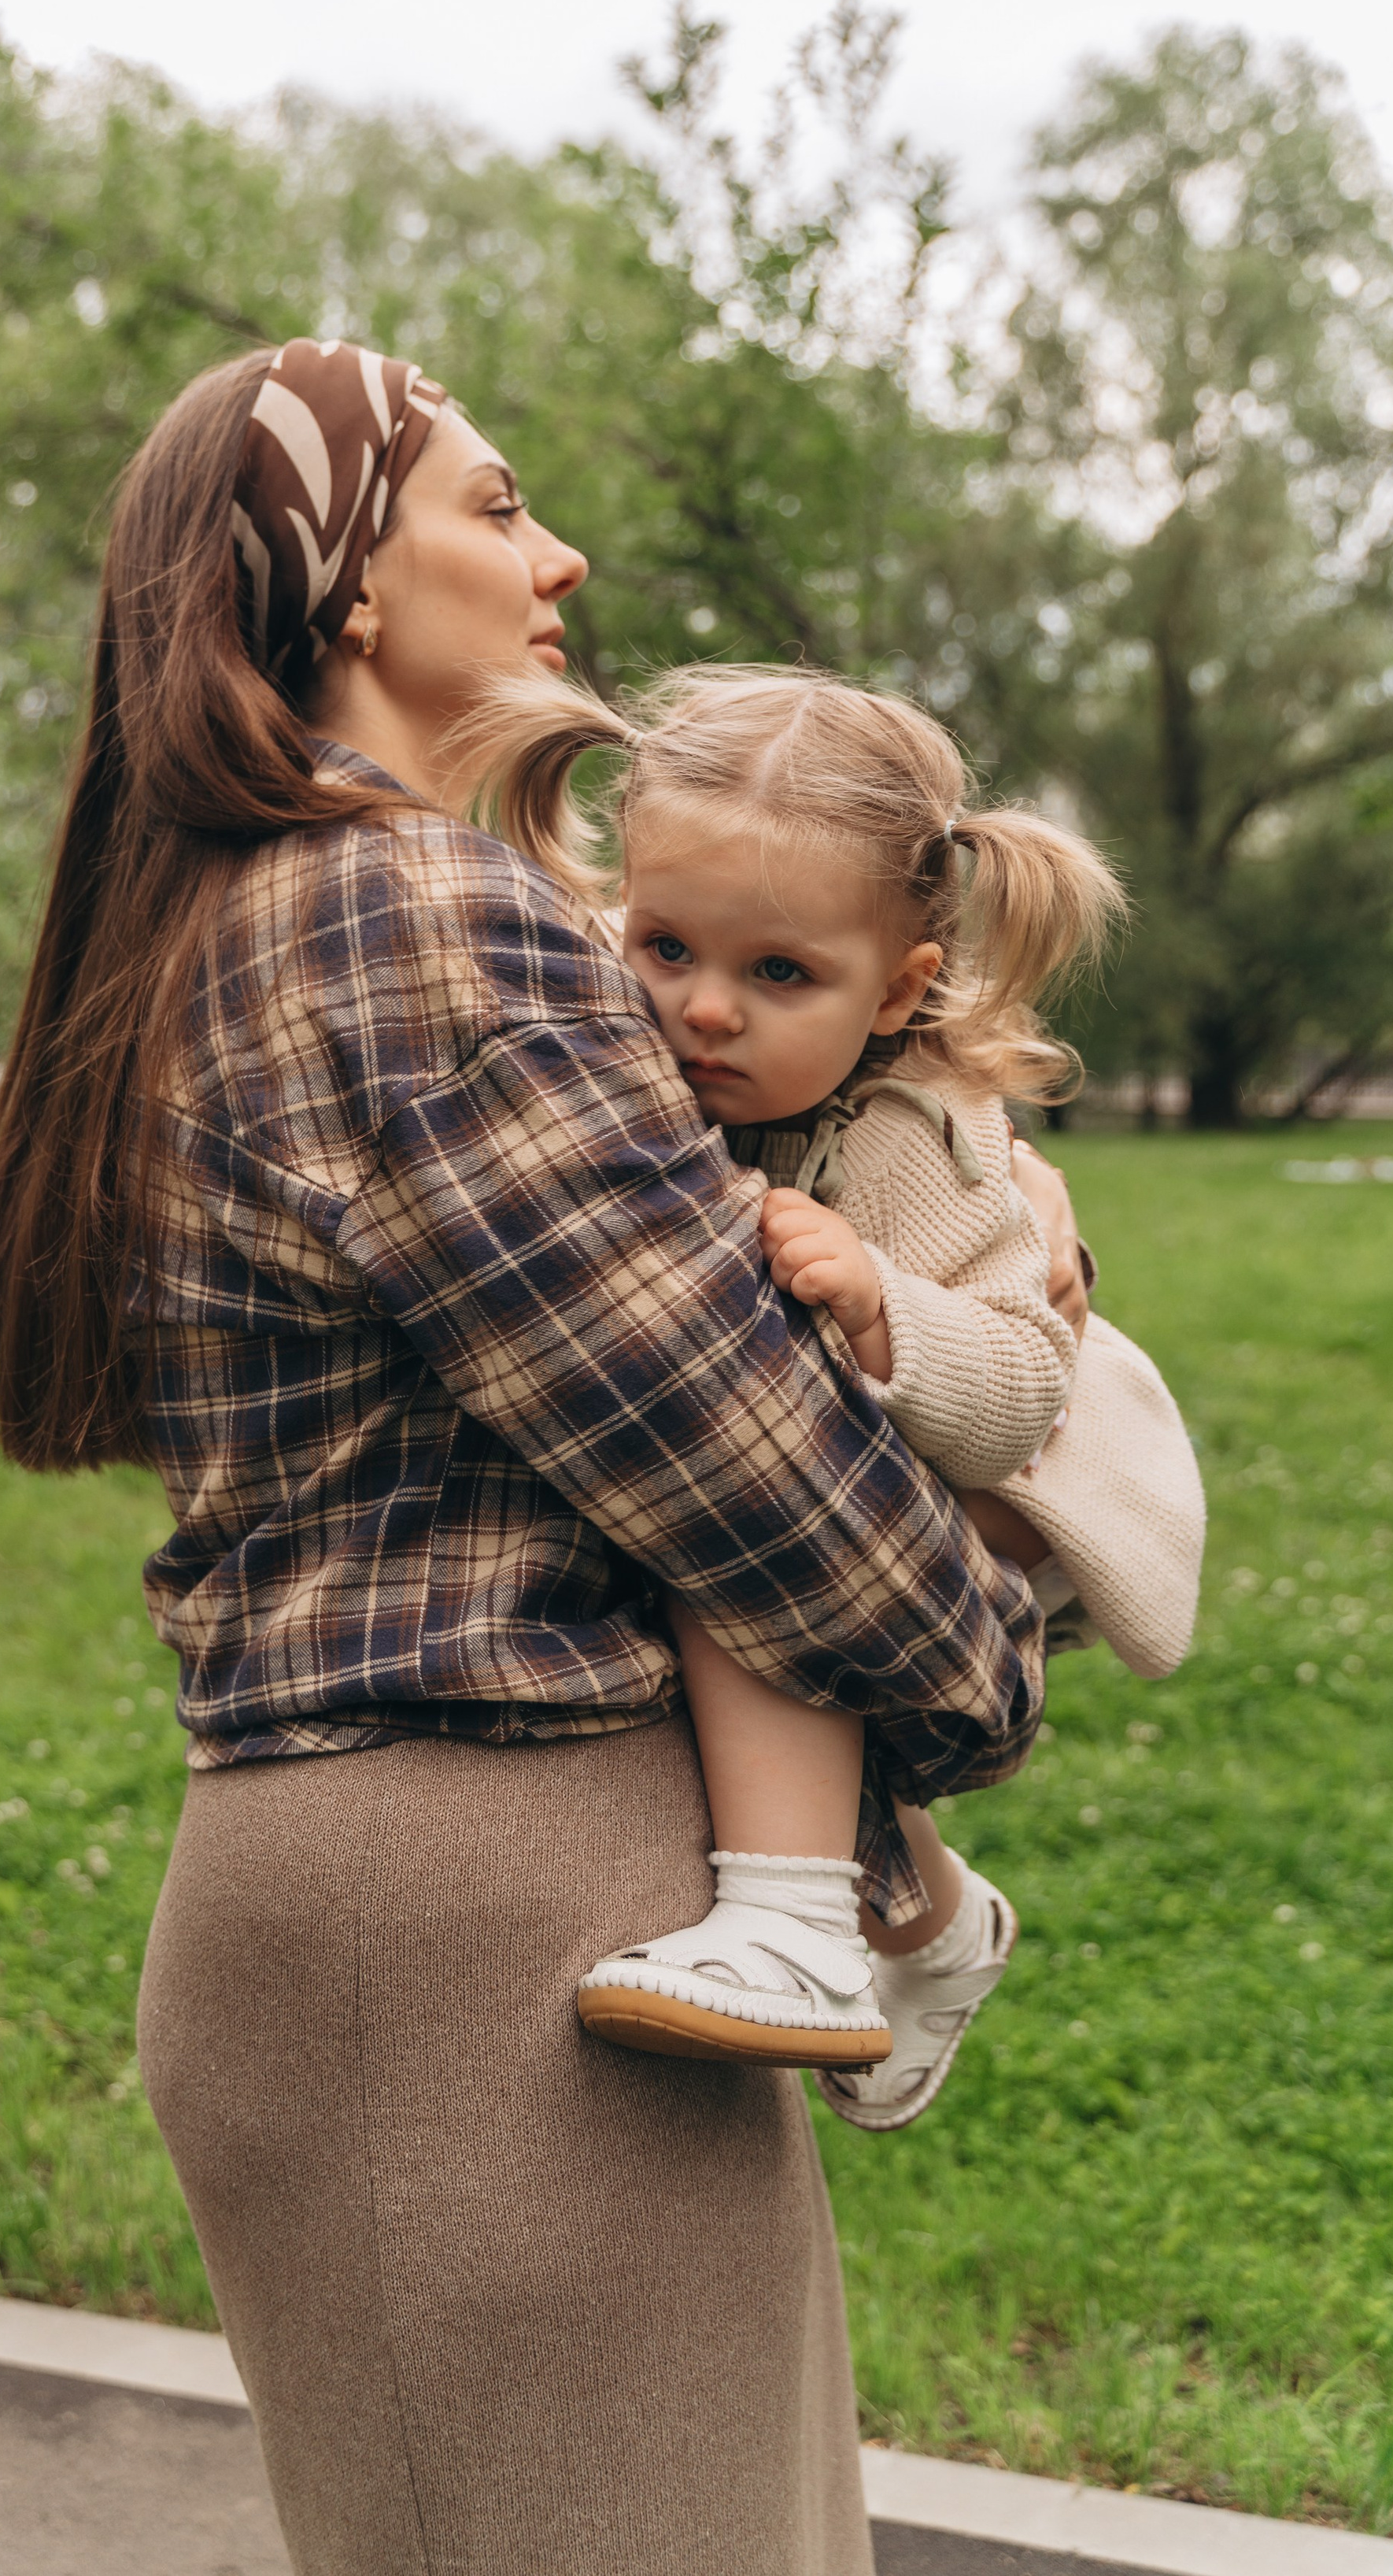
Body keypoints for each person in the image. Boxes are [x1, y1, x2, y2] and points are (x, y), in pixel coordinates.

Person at [0, 341, 1055, 2576]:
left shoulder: (278, 903)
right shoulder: (410, 917)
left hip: (451, 1919)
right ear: (347, 578)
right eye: (497, 504)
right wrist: (983, 1661)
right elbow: (741, 1461)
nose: (562, 557)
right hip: (479, 1949)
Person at [464, 663, 1203, 2126]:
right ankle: (934, 1925)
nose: (704, 1008)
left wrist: (880, 1302)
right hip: (877, 1458)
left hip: (1023, 1476)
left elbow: (1021, 1388)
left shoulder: (916, 1138)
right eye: (665, 945)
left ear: (899, 991)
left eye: (780, 975)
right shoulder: (626, 1021)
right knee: (733, 1512)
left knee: (741, 1511)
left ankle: (798, 1925)